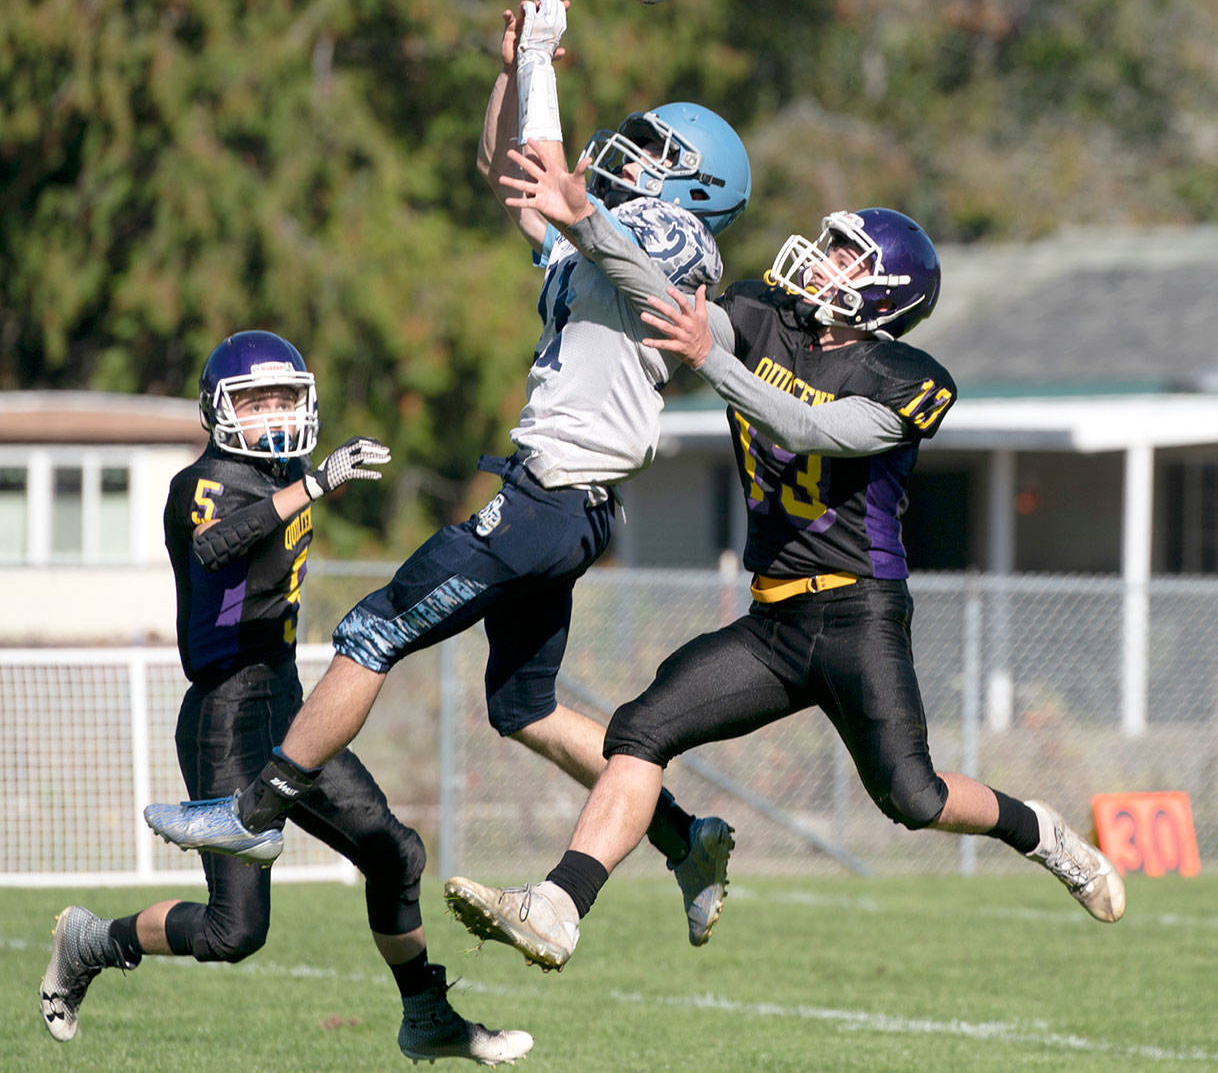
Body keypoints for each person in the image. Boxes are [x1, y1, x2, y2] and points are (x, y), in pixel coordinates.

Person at [143, 0, 752, 949]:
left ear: (697, 189)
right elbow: (520, 176)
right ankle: (686, 837)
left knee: (372, 628)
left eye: (657, 156)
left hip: (549, 501)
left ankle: (254, 813)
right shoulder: (602, 241)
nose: (630, 156)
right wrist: (521, 66)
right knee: (528, 708)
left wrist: (552, 78)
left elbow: (584, 210)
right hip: (566, 503)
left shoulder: (673, 240)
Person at [439, 145, 1127, 972]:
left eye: (848, 254)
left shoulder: (906, 376)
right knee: (639, 729)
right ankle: (558, 907)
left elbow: (815, 429)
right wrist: (585, 219)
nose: (824, 257)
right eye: (831, 243)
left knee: (915, 798)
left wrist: (712, 361)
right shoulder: (767, 314)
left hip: (857, 616)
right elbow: (658, 296)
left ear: (885, 291)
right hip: (773, 621)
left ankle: (1042, 832)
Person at [40, 330, 532, 1066]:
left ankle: (426, 1013)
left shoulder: (290, 468)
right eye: (255, 399)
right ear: (218, 410)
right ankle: (92, 942)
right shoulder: (203, 482)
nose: (272, 413)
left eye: (283, 398)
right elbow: (217, 546)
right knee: (233, 933)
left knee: (395, 852)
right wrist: (315, 485)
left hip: (288, 705)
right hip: (223, 716)